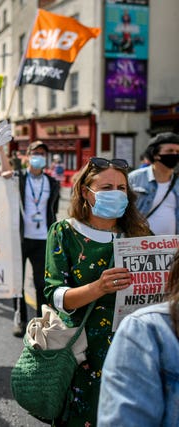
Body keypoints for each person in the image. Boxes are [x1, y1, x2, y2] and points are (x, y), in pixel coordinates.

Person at [43, 157, 150, 426]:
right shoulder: (64, 233)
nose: (115, 193)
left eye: (121, 187)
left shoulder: (139, 234)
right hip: (83, 354)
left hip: (133, 351)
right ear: (85, 192)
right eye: (105, 188)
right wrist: (97, 288)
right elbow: (55, 294)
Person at [97, 249, 179, 427]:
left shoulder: (145, 329)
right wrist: (97, 287)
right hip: (95, 346)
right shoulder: (147, 331)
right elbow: (54, 293)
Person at [13, 141, 60, 336]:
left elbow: (53, 210)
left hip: (43, 239)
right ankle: (20, 319)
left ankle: (41, 321)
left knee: (42, 283)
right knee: (19, 283)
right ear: (28, 155)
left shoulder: (52, 183)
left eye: (42, 153)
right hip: (20, 239)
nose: (39, 156)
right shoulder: (18, 179)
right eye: (35, 153)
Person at [128, 132, 179, 236]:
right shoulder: (135, 178)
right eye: (170, 151)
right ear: (155, 154)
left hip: (172, 247)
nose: (175, 154)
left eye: (177, 151)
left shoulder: (177, 182)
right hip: (139, 244)